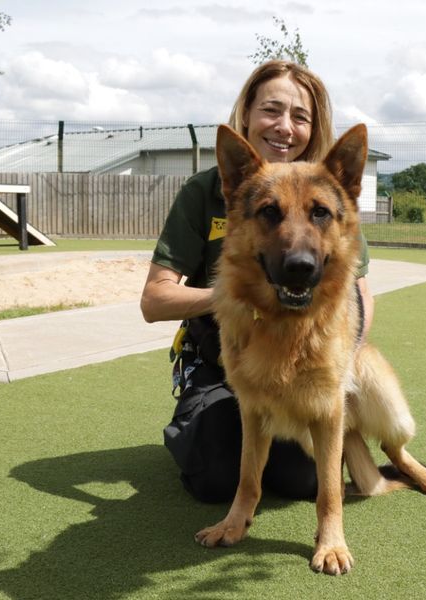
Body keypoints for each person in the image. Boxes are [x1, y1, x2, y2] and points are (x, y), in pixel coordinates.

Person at [140, 60, 375, 503]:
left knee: (300, 482)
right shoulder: (206, 190)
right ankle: (195, 428)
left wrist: (342, 361)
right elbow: (154, 300)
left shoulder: (328, 193)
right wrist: (234, 297)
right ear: (246, 113)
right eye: (272, 110)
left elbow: (359, 294)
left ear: (313, 128)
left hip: (302, 362)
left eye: (300, 116)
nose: (285, 127)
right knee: (214, 476)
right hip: (222, 361)